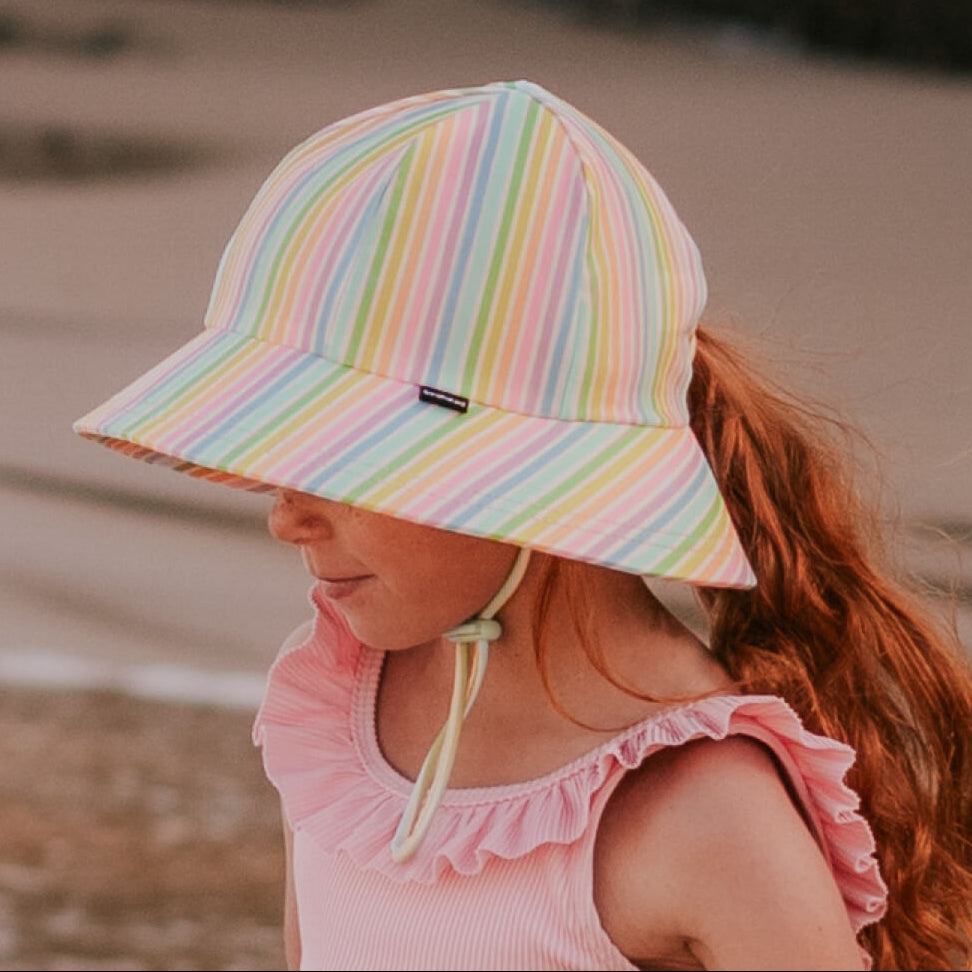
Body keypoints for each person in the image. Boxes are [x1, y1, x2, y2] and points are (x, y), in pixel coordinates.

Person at [74, 80, 972, 971]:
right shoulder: (339, 712)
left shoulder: (705, 814)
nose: (286, 517)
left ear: (527, 475)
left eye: (338, 466)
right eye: (281, 454)